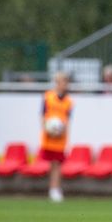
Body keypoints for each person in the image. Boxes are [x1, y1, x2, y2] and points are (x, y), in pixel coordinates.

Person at [41, 72, 73, 202]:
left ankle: (56, 189)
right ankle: (52, 188)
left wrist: (61, 130)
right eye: (62, 82)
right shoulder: (48, 97)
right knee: (52, 164)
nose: (65, 85)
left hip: (60, 138)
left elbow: (68, 119)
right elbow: (43, 116)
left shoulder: (69, 101)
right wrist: (48, 129)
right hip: (49, 137)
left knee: (58, 164)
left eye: (66, 82)